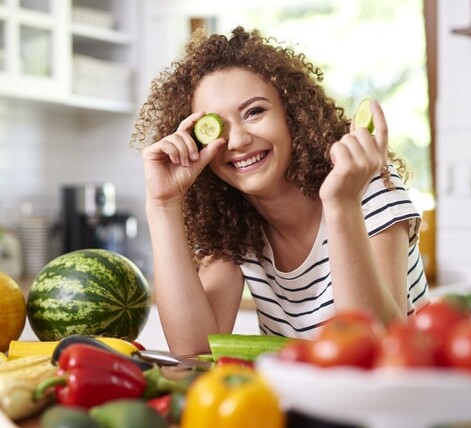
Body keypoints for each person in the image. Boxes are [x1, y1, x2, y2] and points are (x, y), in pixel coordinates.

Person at [131, 26, 429, 356]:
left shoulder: (367, 189)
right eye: (217, 126)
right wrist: (163, 204)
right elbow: (194, 349)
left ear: (293, 114)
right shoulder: (235, 226)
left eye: (255, 112)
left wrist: (341, 204)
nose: (238, 141)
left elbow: (377, 347)